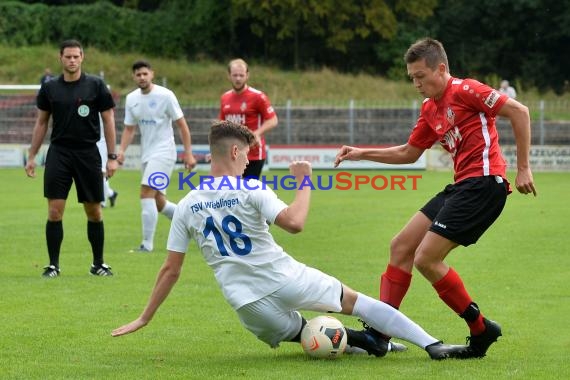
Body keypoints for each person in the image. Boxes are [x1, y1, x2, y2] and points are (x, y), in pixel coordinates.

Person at [111, 120, 470, 361]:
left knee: (307, 333)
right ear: (235, 153)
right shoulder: (251, 188)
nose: (249, 162)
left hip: (246, 305)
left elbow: (170, 269)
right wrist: (303, 180)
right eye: (248, 155)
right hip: (284, 278)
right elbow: (295, 223)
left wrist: (144, 318)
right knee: (358, 303)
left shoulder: (189, 203)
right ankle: (433, 345)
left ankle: (374, 344)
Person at [334, 37, 537, 358]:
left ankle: (480, 327)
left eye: (420, 76)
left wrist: (523, 168)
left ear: (441, 69)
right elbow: (409, 152)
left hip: (485, 184)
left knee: (426, 258)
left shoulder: (466, 90)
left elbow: (519, 111)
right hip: (461, 187)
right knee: (401, 246)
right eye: (411, 78)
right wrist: (360, 153)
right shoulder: (430, 108)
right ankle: (379, 334)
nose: (416, 83)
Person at [25, 39, 117, 277]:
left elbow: (108, 120)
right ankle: (53, 265)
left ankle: (98, 264)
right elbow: (42, 122)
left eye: (76, 56)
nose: (72, 60)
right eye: (68, 57)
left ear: (82, 57)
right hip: (59, 153)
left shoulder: (96, 85)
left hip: (88, 153)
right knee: (55, 211)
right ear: (61, 58)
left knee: (94, 211)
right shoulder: (50, 88)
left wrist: (112, 156)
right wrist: (32, 155)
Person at [118, 60, 196, 253]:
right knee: (159, 202)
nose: (142, 77)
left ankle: (147, 245)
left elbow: (182, 125)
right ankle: (194, 222)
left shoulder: (165, 95)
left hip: (164, 153)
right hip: (147, 154)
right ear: (133, 77)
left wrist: (188, 153)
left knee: (146, 193)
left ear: (152, 74)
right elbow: (129, 129)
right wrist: (121, 151)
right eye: (138, 74)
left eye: (145, 74)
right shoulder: (131, 99)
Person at [219, 58, 278, 179]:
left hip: (253, 155)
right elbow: (221, 125)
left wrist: (257, 133)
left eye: (241, 75)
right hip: (232, 154)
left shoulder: (258, 97)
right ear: (229, 76)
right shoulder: (225, 97)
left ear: (247, 75)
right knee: (232, 193)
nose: (238, 78)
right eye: (235, 75)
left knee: (248, 193)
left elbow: (273, 120)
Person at [97, 114, 119, 208]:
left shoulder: (101, 102)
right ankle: (110, 194)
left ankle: (102, 201)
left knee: (100, 172)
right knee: (95, 172)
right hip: (91, 140)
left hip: (102, 141)